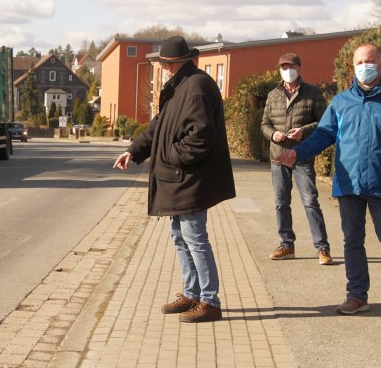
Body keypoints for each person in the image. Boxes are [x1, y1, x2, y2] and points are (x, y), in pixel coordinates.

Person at [279, 43, 381, 318]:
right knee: (352, 241)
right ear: (352, 67)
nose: (363, 67)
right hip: (348, 183)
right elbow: (323, 135)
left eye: (369, 61)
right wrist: (296, 153)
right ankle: (356, 296)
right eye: (358, 62)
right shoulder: (341, 102)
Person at [113, 36, 235, 323]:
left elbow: (201, 136)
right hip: (179, 178)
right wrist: (133, 151)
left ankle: (209, 301)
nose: (164, 69)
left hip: (190, 179)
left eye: (166, 64)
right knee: (180, 237)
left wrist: (171, 156)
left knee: (195, 238)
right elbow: (157, 128)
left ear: (175, 63)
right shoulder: (181, 86)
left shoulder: (196, 86)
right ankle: (191, 293)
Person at [261, 53, 332, 265]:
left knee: (310, 201)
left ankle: (322, 248)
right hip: (279, 156)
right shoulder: (273, 94)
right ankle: (286, 244)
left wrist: (303, 131)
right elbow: (264, 123)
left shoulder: (313, 92)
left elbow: (324, 121)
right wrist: (273, 134)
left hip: (302, 155)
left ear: (299, 68)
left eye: (290, 66)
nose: (287, 70)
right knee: (281, 202)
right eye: (283, 67)